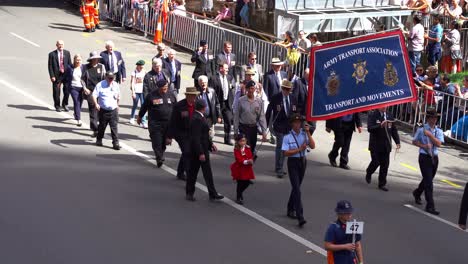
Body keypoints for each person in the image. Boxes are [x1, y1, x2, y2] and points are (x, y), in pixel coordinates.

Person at [186, 99, 224, 202]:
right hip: (198, 151)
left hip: (203, 149)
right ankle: (189, 193)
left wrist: (211, 144)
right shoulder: (197, 119)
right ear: (203, 108)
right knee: (193, 173)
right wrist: (200, 153)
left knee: (207, 173)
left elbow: (204, 135)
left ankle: (212, 193)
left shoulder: (199, 117)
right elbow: (196, 138)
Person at [282, 114, 315, 227]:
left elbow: (313, 146)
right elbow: (285, 153)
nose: (298, 124)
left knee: (297, 188)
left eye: (299, 122)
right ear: (292, 124)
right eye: (296, 123)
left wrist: (308, 132)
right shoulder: (287, 136)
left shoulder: (304, 133)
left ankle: (290, 208)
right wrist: (299, 149)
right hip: (293, 163)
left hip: (303, 162)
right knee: (297, 189)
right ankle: (300, 216)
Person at [412, 108, 444, 215]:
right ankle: (430, 206)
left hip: (434, 157)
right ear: (428, 118)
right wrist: (424, 146)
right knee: (429, 183)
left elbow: (439, 144)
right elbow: (414, 142)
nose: (434, 120)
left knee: (428, 179)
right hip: (424, 157)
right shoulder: (421, 130)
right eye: (432, 118)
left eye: (435, 118)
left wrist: (430, 135)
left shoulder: (438, 130)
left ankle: (417, 192)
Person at [138, 80, 177, 168]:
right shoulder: (151, 96)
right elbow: (144, 107)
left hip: (168, 123)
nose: (165, 90)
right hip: (155, 123)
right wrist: (140, 117)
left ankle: (160, 154)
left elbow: (176, 108)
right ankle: (159, 157)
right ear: (159, 88)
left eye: (166, 88)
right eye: (163, 88)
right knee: (157, 141)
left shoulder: (171, 95)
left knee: (163, 142)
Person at [266, 79, 299, 178]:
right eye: (285, 89)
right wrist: (266, 125)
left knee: (283, 147)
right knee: (281, 147)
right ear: (282, 88)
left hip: (288, 127)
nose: (286, 91)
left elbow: (295, 112)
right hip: (279, 126)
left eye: (288, 89)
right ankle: (280, 168)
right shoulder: (276, 98)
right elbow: (269, 111)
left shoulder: (293, 98)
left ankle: (278, 166)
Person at [167, 87, 199, 181]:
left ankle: (180, 172)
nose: (193, 97)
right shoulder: (179, 106)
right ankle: (189, 173)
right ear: (187, 95)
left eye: (195, 96)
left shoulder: (197, 105)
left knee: (187, 152)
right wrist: (169, 136)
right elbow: (172, 121)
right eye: (192, 96)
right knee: (186, 151)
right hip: (181, 133)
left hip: (192, 132)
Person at [365, 107, 401, 192]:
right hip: (375, 144)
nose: (384, 107)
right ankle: (369, 172)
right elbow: (370, 128)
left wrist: (397, 142)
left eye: (386, 105)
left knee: (385, 165)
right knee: (376, 162)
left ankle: (382, 183)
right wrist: (380, 126)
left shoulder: (389, 116)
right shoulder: (373, 115)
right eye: (383, 105)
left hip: (386, 145)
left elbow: (393, 130)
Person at [234, 80, 268, 155]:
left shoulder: (259, 102)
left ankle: (248, 163)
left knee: (252, 148)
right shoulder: (241, 100)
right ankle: (244, 164)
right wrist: (235, 131)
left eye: (252, 88)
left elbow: (261, 117)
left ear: (255, 90)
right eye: (249, 88)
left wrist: (264, 132)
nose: (250, 90)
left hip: (253, 128)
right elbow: (236, 116)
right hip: (243, 128)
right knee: (245, 148)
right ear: (246, 89)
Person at [92, 71, 121, 150]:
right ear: (106, 77)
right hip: (103, 110)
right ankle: (99, 139)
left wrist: (117, 105)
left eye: (112, 78)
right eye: (109, 78)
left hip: (113, 110)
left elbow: (118, 96)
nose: (111, 80)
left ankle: (115, 142)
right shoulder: (100, 85)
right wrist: (96, 104)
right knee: (102, 126)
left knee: (114, 127)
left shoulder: (115, 85)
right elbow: (94, 95)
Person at [209, 63, 235, 145]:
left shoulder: (229, 77)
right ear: (220, 69)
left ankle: (227, 138)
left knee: (228, 121)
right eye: (225, 68)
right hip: (217, 103)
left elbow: (232, 88)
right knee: (213, 120)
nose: (227, 70)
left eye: (227, 68)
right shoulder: (213, 78)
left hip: (227, 103)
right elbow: (211, 91)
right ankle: (209, 137)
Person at [82, 51, 106, 137]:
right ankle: (95, 129)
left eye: (97, 59)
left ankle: (100, 127)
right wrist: (85, 88)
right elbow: (82, 79)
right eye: (94, 59)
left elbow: (105, 78)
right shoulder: (86, 67)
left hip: (100, 91)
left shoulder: (101, 67)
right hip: (91, 92)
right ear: (91, 60)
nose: (96, 60)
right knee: (92, 109)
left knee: (101, 110)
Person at [230, 134, 255, 205]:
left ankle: (240, 192)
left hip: (247, 168)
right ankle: (238, 196)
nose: (243, 142)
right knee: (240, 183)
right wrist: (247, 161)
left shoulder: (247, 148)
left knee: (246, 183)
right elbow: (239, 159)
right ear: (237, 142)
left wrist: (251, 160)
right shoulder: (236, 149)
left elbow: (250, 156)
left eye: (244, 141)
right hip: (239, 168)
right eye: (241, 141)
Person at [48, 40, 72, 112]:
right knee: (56, 91)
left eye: (62, 44)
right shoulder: (52, 54)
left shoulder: (67, 53)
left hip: (66, 75)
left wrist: (70, 74)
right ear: (56, 45)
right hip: (57, 75)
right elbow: (50, 66)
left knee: (67, 90)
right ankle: (57, 105)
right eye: (59, 44)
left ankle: (65, 104)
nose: (61, 46)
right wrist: (52, 76)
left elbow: (69, 64)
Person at [63, 54, 87, 127]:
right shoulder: (70, 67)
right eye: (77, 60)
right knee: (76, 102)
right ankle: (79, 119)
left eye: (79, 60)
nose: (78, 61)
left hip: (82, 88)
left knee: (80, 103)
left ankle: (76, 113)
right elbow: (65, 76)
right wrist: (61, 82)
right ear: (74, 60)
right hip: (73, 87)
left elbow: (86, 77)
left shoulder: (83, 67)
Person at [292, 68, 316, 135]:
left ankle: (307, 139)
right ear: (305, 74)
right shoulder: (298, 82)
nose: (310, 76)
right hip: (301, 112)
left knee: (313, 127)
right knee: (303, 127)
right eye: (308, 75)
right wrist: (295, 112)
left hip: (312, 112)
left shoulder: (313, 83)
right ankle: (303, 142)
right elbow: (294, 98)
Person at [129, 60, 147, 126]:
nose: (142, 68)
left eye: (142, 67)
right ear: (138, 66)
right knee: (135, 105)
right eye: (141, 66)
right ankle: (132, 118)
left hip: (142, 92)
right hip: (136, 91)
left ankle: (144, 121)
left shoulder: (144, 72)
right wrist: (133, 92)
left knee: (143, 106)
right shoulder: (134, 72)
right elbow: (132, 82)